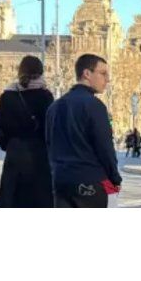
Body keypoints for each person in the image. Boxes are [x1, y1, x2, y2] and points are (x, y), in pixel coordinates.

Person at [45, 54, 122, 208]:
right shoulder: (94, 106)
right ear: (87, 74)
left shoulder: (54, 107)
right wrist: (115, 178)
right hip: (90, 181)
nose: (107, 79)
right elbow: (105, 147)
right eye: (103, 73)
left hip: (61, 181)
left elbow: (49, 144)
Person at [0, 56, 55, 207]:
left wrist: (10, 144)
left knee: (13, 199)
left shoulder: (7, 96)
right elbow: (51, 129)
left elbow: (1, 128)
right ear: (41, 72)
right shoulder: (46, 96)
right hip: (40, 157)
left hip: (15, 155)